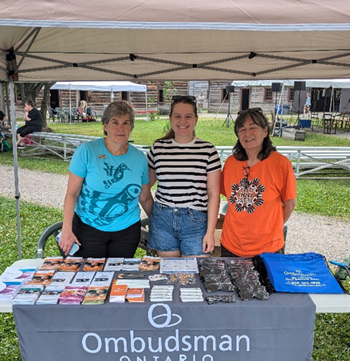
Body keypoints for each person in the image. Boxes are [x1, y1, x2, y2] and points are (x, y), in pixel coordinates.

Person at [59, 100, 153, 258]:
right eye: (115, 122)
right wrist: (67, 229)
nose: (120, 128)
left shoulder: (139, 158)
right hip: (88, 229)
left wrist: (158, 225)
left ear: (131, 127)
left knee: (118, 278)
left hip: (127, 231)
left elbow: (145, 197)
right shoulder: (87, 151)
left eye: (126, 123)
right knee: (88, 278)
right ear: (105, 125)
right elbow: (72, 194)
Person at [147, 95, 221, 257]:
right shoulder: (158, 148)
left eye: (188, 116)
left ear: (196, 119)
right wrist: (155, 215)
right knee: (169, 273)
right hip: (163, 220)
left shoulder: (208, 150)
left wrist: (210, 232)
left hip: (195, 223)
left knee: (194, 275)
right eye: (177, 116)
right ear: (170, 118)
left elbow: (214, 194)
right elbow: (145, 187)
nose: (183, 121)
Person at [220, 107, 296, 258]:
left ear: (265, 131)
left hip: (268, 247)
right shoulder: (230, 163)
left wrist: (273, 227)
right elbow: (227, 196)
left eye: (253, 128)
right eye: (242, 129)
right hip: (232, 245)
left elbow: (290, 204)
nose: (247, 133)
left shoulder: (280, 163)